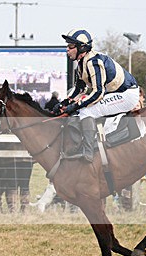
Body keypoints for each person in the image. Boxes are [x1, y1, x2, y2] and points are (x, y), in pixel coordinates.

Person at [60, 29, 140, 162]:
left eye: (70, 46)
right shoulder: (80, 64)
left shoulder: (93, 62)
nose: (67, 50)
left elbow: (98, 93)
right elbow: (79, 89)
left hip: (127, 94)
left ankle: (88, 153)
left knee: (86, 111)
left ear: (81, 47)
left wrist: (75, 106)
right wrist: (65, 103)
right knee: (82, 109)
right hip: (117, 93)